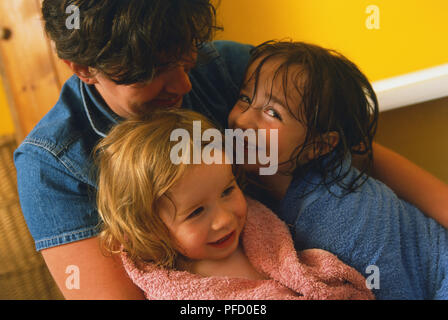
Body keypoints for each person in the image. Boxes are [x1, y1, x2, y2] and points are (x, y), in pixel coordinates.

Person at [13, 0, 445, 299]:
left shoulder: (229, 68)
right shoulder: (55, 166)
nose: (183, 85)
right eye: (152, 72)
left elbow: (359, 152)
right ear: (83, 68)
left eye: (186, 57)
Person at [227, 40, 448, 299]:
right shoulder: (248, 177)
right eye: (244, 98)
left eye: (273, 113)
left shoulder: (348, 219)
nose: (242, 120)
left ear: (318, 146)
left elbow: (399, 290)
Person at [94, 108, 374, 300]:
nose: (224, 220)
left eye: (227, 191)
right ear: (149, 227)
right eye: (196, 212)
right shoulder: (180, 287)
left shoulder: (258, 232)